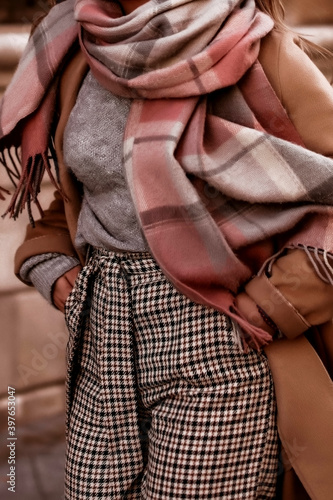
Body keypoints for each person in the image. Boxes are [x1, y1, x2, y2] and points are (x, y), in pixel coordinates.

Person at [1, 0, 333, 498]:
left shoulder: (257, 48)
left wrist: (273, 303)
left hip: (218, 333)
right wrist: (49, 260)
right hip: (101, 331)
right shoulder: (77, 46)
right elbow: (87, 189)